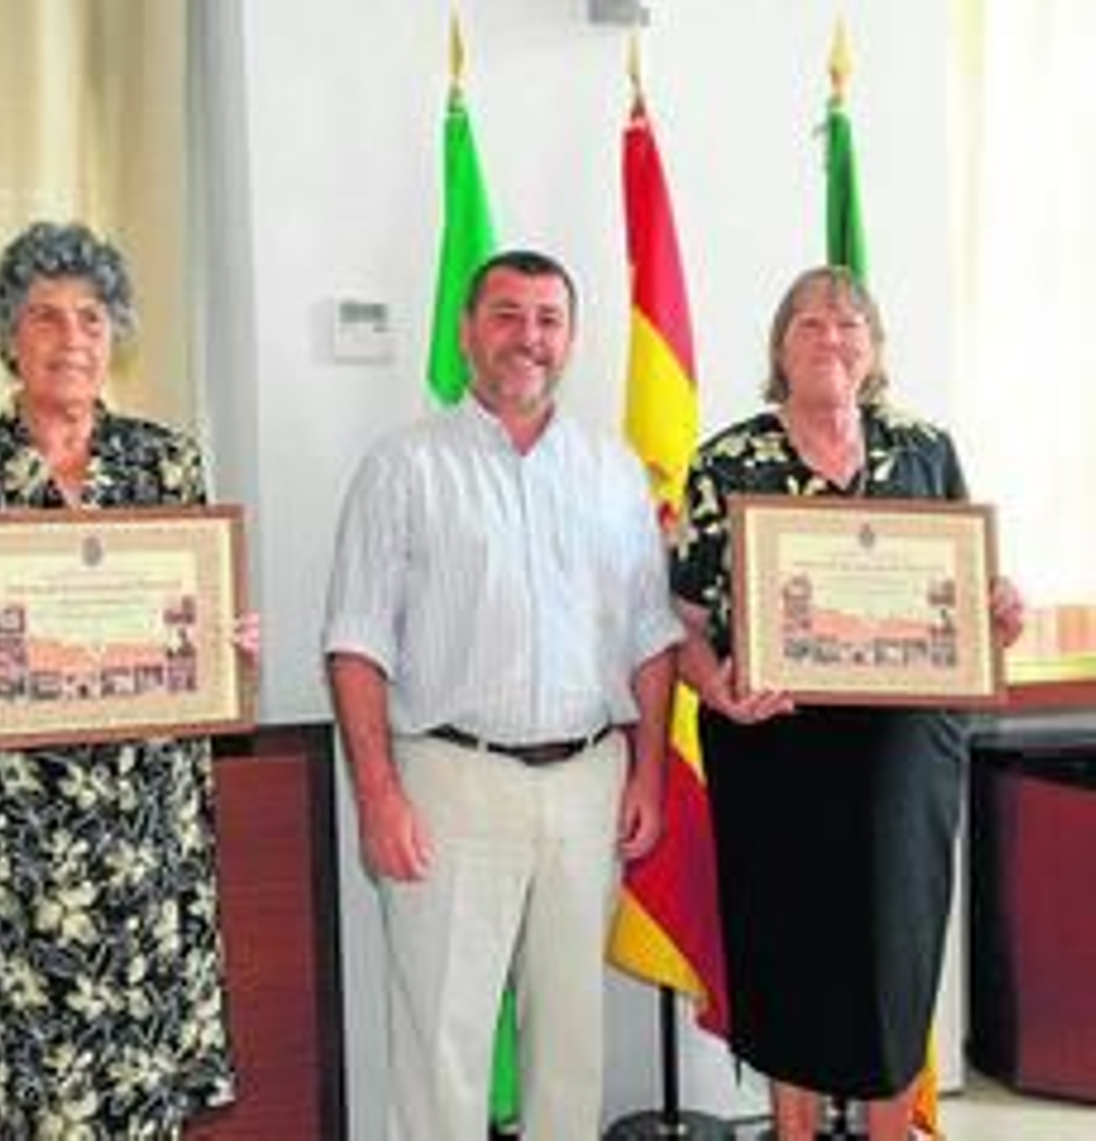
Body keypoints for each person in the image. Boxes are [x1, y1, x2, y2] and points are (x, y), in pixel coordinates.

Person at [0, 220, 253, 1138]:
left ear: (114, 333)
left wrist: (226, 643)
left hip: (149, 835)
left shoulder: (168, 460)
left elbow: (192, 617)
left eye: (90, 317)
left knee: (143, 1085)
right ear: (8, 335)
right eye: (44, 317)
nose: (70, 338)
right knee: (24, 1092)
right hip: (11, 843)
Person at [323, 249, 683, 1139]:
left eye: (549, 319)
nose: (529, 338)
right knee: (442, 1039)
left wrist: (648, 778)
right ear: (467, 332)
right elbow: (356, 642)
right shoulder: (402, 467)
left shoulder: (613, 473)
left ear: (572, 338)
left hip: (587, 780)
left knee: (571, 1042)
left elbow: (649, 635)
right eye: (508, 315)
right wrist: (378, 794)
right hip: (450, 781)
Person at [670, 265, 1025, 1141]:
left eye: (849, 325)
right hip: (774, 745)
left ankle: (890, 1131)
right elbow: (680, 616)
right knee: (788, 938)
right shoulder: (729, 457)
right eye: (810, 325)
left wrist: (996, 611)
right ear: (779, 348)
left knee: (897, 946)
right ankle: (792, 1132)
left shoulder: (925, 447)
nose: (832, 338)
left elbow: (965, 590)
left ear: (874, 350)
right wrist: (716, 686)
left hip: (907, 751)